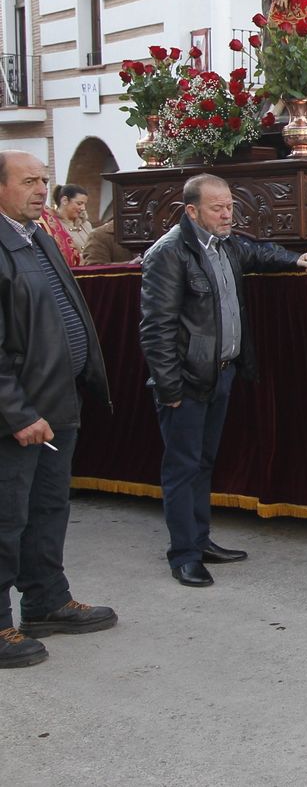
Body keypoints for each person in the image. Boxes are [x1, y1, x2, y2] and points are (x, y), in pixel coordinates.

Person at [138, 174, 307, 587]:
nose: (226, 214)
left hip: (221, 374)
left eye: (230, 206)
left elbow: (258, 253)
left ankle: (200, 541)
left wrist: (296, 260)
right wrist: (170, 389)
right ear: (191, 211)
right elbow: (156, 329)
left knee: (203, 464)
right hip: (185, 382)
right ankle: (183, 555)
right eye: (217, 207)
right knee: (182, 468)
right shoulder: (168, 253)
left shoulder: (226, 245)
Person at [0, 150, 116, 669]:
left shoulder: (38, 236)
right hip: (20, 414)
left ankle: (46, 600)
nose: (41, 189)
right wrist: (18, 413)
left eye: (44, 180)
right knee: (7, 517)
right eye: (28, 181)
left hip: (58, 401)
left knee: (49, 509)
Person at [42, 185, 91, 266]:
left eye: (84, 204)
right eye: (79, 203)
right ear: (64, 200)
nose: (83, 208)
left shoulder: (86, 225)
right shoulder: (53, 226)